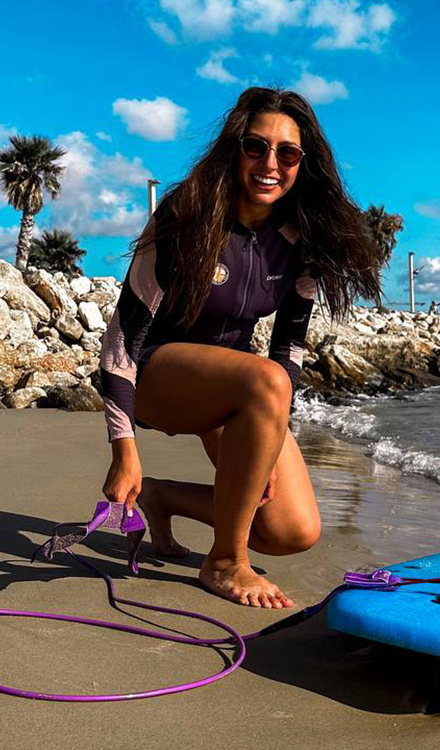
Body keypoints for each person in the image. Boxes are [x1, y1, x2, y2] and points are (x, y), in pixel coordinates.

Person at [98, 87, 382, 609]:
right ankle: (226, 561)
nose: (270, 163)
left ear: (303, 163)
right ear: (235, 147)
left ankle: (164, 498)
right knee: (264, 377)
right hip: (161, 378)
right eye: (256, 146)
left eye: (288, 153)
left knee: (290, 530)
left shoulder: (302, 241)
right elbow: (122, 339)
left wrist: (267, 441)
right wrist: (124, 448)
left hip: (236, 391)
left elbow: (289, 349)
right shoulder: (187, 214)